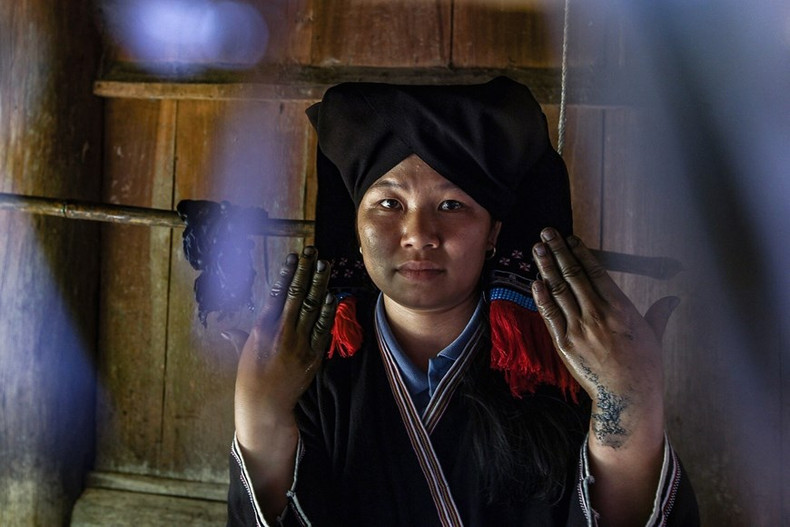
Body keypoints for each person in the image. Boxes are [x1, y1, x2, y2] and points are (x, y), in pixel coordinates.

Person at [224, 77, 699, 526]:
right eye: (388, 204)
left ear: (493, 232)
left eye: (452, 205)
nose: (418, 235)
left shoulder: (571, 373)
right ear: (356, 227)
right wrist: (258, 409)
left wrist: (628, 403)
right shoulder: (307, 373)